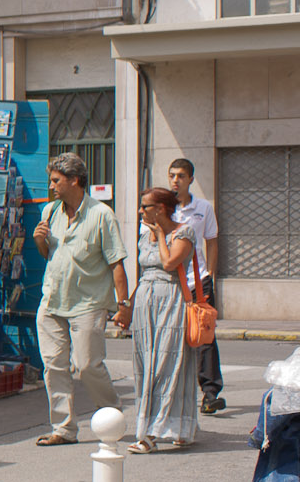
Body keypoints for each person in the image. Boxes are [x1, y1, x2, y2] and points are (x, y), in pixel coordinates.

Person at [32, 152, 130, 446]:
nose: (52, 186)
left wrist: (123, 305)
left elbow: (116, 263)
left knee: (87, 364)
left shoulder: (101, 214)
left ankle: (112, 416)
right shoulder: (49, 211)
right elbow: (47, 253)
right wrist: (39, 239)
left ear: (74, 180)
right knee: (54, 366)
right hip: (52, 300)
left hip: (88, 303)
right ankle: (63, 428)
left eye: (56, 180)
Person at [121, 187, 200, 453]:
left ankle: (152, 434)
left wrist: (160, 236)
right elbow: (143, 272)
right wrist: (128, 307)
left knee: (169, 363)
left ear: (161, 208)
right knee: (147, 364)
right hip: (146, 301)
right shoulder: (145, 238)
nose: (141, 211)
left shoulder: (184, 233)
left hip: (171, 300)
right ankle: (159, 426)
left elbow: (169, 263)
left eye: (146, 206)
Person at [163, 159, 226, 415]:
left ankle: (210, 393)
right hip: (171, 281)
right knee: (172, 334)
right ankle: (171, 391)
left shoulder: (203, 208)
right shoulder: (163, 208)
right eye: (172, 175)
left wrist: (210, 272)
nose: (175, 180)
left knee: (204, 334)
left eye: (180, 175)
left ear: (190, 179)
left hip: (197, 280)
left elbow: (211, 240)